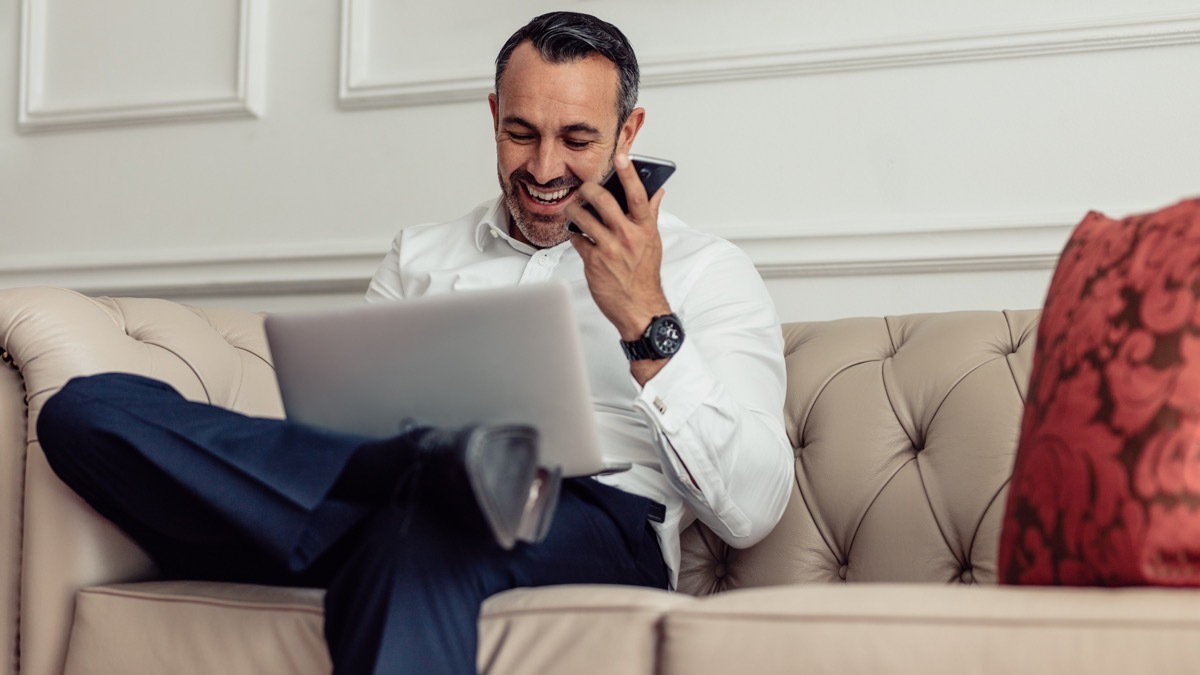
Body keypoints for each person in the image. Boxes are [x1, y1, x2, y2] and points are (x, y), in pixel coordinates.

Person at [36, 11, 793, 675]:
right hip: (384, 497)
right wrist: (391, 462)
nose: (543, 167)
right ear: (493, 114)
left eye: (578, 138)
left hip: (591, 525)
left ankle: (448, 474)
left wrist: (644, 319)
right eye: (520, 132)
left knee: (415, 527)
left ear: (629, 133)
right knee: (86, 409)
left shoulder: (704, 270)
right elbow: (346, 424)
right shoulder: (420, 254)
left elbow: (753, 506)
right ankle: (438, 466)